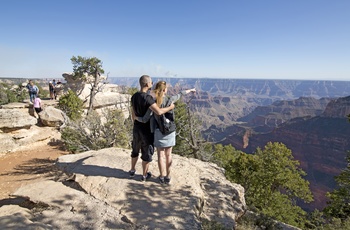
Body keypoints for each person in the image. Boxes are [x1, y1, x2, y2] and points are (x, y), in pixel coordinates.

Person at [136, 81, 196, 184]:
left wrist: (136, 118)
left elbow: (145, 119)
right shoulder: (170, 100)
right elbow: (180, 94)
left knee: (160, 156)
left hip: (158, 131)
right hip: (170, 131)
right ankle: (168, 177)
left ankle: (162, 177)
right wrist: (190, 90)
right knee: (169, 155)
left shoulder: (153, 103)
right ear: (165, 90)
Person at [130, 75, 175, 182]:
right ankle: (144, 175)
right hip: (146, 130)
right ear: (147, 84)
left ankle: (132, 170)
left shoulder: (134, 96)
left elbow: (133, 112)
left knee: (135, 149)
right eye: (151, 82)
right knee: (146, 152)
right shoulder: (148, 98)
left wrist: (135, 120)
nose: (152, 84)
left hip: (136, 127)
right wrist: (170, 107)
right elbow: (158, 112)